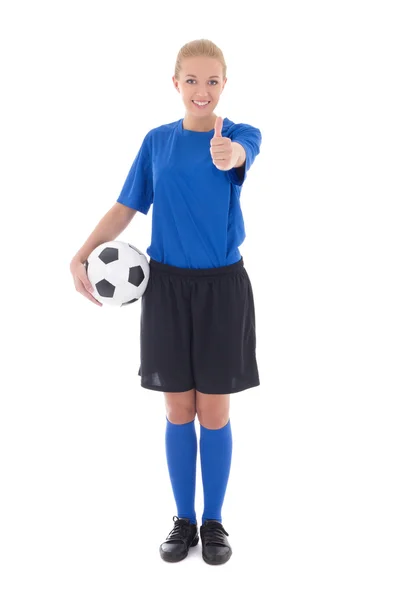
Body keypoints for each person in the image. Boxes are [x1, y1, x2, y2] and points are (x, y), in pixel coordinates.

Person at [70, 38, 262, 566]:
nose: (203, 91)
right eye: (193, 81)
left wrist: (233, 153)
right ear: (176, 84)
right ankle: (182, 520)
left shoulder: (240, 135)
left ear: (224, 85)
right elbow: (126, 206)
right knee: (179, 409)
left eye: (213, 81)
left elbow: (243, 153)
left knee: (214, 411)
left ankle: (215, 522)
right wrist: (82, 254)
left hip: (223, 289)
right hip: (166, 289)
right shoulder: (157, 143)